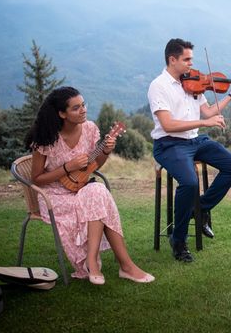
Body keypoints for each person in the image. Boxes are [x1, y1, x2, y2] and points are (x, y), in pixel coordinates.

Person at [25, 86, 154, 285]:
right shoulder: (46, 138)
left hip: (81, 188)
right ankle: (122, 266)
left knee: (97, 191)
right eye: (76, 108)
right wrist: (68, 167)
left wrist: (106, 151)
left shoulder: (90, 129)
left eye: (83, 105)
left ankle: (97, 262)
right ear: (62, 113)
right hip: (54, 195)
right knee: (99, 198)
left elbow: (93, 166)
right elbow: (37, 179)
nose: (83, 110)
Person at [148, 38, 231, 263]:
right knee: (190, 182)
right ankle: (179, 239)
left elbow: (209, 112)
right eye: (186, 60)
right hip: (169, 144)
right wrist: (204, 124)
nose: (191, 65)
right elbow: (168, 125)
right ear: (172, 59)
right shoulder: (159, 86)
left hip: (194, 141)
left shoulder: (193, 82)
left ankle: (200, 209)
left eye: (191, 59)